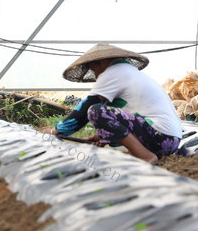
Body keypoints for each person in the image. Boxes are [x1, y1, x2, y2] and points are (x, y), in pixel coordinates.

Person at [54, 43, 183, 164]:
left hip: (159, 137)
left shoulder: (113, 72)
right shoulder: (128, 71)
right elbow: (128, 116)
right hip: (170, 141)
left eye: (93, 69)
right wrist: (104, 135)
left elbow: (85, 109)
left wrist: (57, 131)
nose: (95, 74)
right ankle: (144, 152)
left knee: (96, 111)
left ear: (103, 62)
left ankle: (146, 156)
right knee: (104, 111)